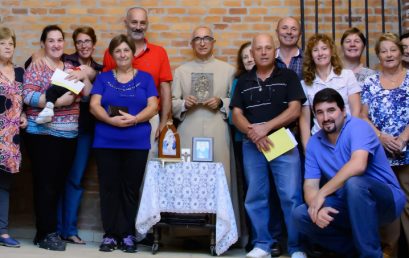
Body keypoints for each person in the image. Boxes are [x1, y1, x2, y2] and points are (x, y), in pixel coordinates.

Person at [293, 88, 405, 257]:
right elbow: (310, 185)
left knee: (354, 183)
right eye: (320, 113)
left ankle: (370, 255)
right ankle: (361, 252)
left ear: (343, 111)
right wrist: (317, 207)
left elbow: (358, 165)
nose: (326, 117)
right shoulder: (315, 143)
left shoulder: (357, 127)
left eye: (331, 110)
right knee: (301, 214)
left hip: (385, 200)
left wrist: (322, 193)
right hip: (348, 202)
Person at [231, 33, 306, 258]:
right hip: (252, 143)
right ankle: (262, 243)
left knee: (291, 195)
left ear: (274, 51)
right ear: (252, 53)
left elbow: (295, 109)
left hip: (282, 139)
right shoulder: (243, 80)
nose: (263, 52)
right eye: (259, 49)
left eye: (267, 48)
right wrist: (254, 132)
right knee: (256, 195)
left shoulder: (289, 76)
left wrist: (266, 127)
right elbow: (236, 114)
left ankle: (296, 247)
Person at [90, 34, 158, 253]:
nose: (122, 54)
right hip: (106, 141)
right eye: (117, 51)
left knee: (130, 188)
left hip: (136, 142)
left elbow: (153, 106)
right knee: (109, 188)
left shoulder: (146, 79)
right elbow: (94, 105)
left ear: (133, 53)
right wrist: (110, 120)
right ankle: (110, 234)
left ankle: (127, 234)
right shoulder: (102, 78)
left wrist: (136, 119)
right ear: (112, 55)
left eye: (126, 50)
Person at [23, 25, 87, 251]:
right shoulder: (37, 66)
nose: (56, 44)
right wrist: (59, 103)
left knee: (58, 185)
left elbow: (83, 92)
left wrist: (83, 74)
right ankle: (45, 234)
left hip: (68, 135)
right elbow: (28, 95)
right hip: (42, 135)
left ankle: (49, 231)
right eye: (51, 40)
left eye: (60, 40)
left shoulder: (70, 68)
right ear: (43, 44)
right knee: (45, 185)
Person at [361, 32, 409, 257]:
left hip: (407, 151)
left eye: (393, 50)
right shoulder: (370, 82)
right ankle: (390, 252)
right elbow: (362, 116)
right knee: (388, 204)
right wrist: (381, 137)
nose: (389, 54)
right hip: (382, 155)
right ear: (378, 55)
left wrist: (403, 138)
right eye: (383, 51)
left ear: (401, 52)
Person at [56, 26, 103, 245]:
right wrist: (81, 73)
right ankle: (55, 230)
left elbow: (94, 99)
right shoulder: (64, 62)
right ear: (75, 45)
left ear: (94, 44)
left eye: (87, 41)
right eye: (79, 42)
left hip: (84, 131)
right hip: (60, 128)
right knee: (57, 179)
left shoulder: (101, 70)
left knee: (75, 179)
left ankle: (70, 229)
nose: (83, 45)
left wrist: (87, 74)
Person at [103, 7, 172, 153]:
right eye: (134, 22)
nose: (138, 27)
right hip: (117, 119)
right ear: (126, 23)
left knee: (146, 169)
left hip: (150, 119)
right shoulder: (111, 53)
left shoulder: (159, 53)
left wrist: (164, 123)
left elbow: (165, 89)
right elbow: (105, 88)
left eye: (143, 23)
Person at [172, 25, 235, 185]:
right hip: (188, 131)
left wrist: (221, 102)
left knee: (219, 179)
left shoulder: (228, 70)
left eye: (206, 38)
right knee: (187, 179)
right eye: (197, 39)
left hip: (218, 131)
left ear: (213, 42)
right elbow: (171, 104)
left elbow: (236, 103)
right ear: (191, 44)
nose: (202, 43)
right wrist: (184, 104)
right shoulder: (181, 71)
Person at [299, 33, 361, 150]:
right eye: (315, 50)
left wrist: (352, 137)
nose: (320, 53)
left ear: (331, 52)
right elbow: (305, 120)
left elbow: (356, 111)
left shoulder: (347, 75)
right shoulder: (305, 84)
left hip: (347, 137)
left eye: (324, 48)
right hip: (320, 139)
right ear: (311, 55)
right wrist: (307, 148)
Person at [0, 26, 27, 248]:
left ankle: (2, 231)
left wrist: (24, 114)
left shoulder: (20, 72)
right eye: (2, 43)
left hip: (11, 138)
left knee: (4, 184)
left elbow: (22, 100)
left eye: (10, 43)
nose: (7, 47)